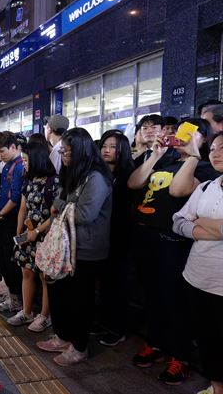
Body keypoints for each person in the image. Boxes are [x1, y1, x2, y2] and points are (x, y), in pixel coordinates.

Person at [127, 118, 219, 385]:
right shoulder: (164, 161)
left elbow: (179, 190)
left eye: (190, 134)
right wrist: (155, 156)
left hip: (174, 244)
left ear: (204, 139)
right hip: (146, 238)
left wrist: (192, 154)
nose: (180, 137)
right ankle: (156, 343)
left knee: (175, 301)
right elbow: (134, 183)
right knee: (152, 296)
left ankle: (181, 356)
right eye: (179, 133)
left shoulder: (205, 167)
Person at [36, 128, 113, 367]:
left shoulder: (96, 178)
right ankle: (62, 336)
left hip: (86, 250)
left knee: (80, 300)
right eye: (62, 150)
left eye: (66, 151)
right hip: (67, 247)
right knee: (61, 295)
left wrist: (59, 203)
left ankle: (79, 347)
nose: (63, 154)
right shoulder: (74, 174)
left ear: (80, 151)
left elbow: (84, 214)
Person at [172, 132, 223, 394]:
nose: (215, 153)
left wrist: (199, 220)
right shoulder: (206, 187)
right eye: (212, 148)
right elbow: (178, 220)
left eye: (222, 148)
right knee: (207, 340)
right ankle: (216, 388)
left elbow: (191, 219)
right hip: (196, 276)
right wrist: (203, 229)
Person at [9, 142, 59, 333]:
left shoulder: (54, 182)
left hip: (45, 237)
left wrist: (36, 232)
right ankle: (26, 311)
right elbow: (23, 208)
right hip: (27, 237)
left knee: (44, 277)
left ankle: (45, 316)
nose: (24, 163)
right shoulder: (27, 180)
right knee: (27, 273)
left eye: (26, 160)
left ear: (37, 159)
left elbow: (56, 214)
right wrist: (19, 232)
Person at [96, 130, 135, 347]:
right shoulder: (99, 174)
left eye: (113, 147)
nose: (107, 150)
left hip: (122, 236)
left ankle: (118, 328)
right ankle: (104, 321)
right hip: (102, 235)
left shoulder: (129, 173)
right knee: (104, 281)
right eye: (104, 146)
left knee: (119, 282)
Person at [0, 131, 25, 313]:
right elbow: (3, 194)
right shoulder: (7, 165)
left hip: (12, 220)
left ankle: (16, 300)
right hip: (2, 217)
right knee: (1, 256)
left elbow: (15, 198)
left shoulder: (18, 166)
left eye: (2, 151)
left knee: (10, 260)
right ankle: (12, 295)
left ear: (13, 147)